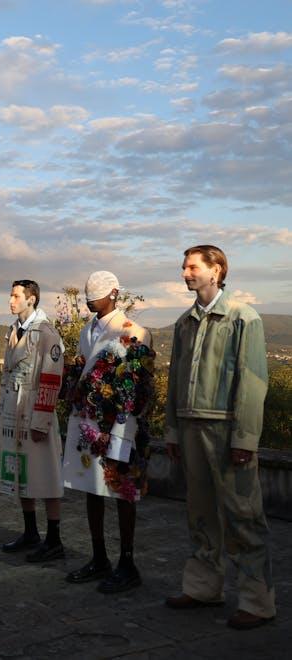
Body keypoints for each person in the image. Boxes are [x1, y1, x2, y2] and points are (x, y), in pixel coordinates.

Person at [164, 245, 275, 630]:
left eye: (192, 267)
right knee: (200, 512)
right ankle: (202, 587)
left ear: (217, 271)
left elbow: (253, 380)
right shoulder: (184, 323)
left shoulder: (244, 317)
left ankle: (257, 602)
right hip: (190, 426)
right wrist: (173, 430)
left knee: (243, 515)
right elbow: (175, 380)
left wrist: (245, 437)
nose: (185, 273)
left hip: (227, 429)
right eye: (184, 267)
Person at [62, 271, 152, 592]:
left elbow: (137, 385)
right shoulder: (87, 330)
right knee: (92, 488)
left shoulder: (133, 331)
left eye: (96, 293)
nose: (89, 298)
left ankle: (127, 563)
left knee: (123, 492)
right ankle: (99, 556)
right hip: (88, 423)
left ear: (114, 293)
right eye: (86, 293)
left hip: (119, 424)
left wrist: (123, 427)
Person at [0, 280, 66, 561]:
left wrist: (41, 420)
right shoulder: (14, 330)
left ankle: (54, 539)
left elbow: (51, 377)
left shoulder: (46, 332)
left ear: (31, 299)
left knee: (46, 475)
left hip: (36, 411)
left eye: (15, 296)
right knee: (21, 473)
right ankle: (30, 532)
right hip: (15, 409)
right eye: (10, 295)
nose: (10, 301)